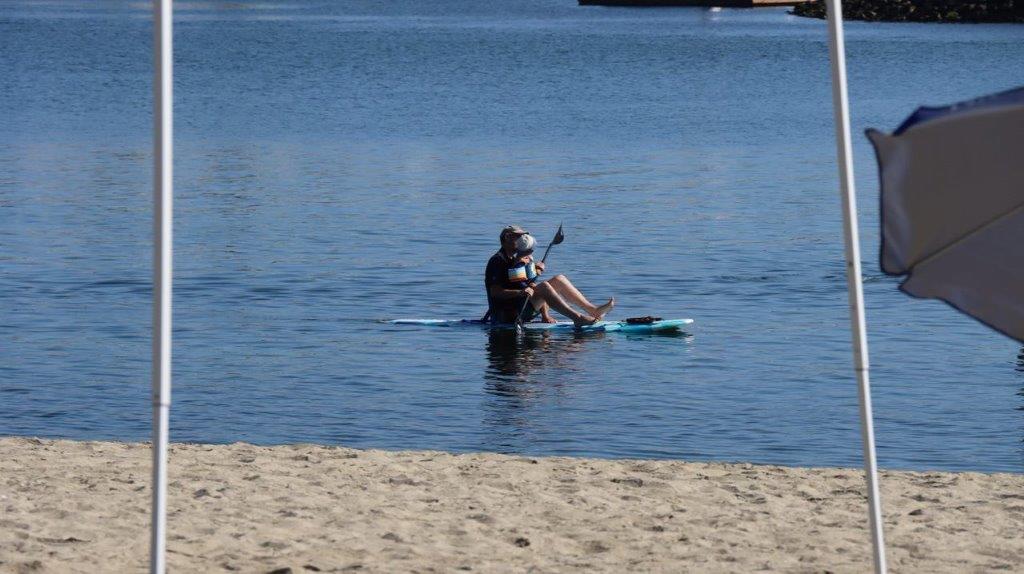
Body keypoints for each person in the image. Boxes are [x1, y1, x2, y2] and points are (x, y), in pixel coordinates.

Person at [484, 225, 614, 328]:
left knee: (559, 279)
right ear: (507, 238)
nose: (522, 240)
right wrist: (520, 292)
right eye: (518, 237)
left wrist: (545, 316)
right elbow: (496, 292)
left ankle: (593, 310)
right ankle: (577, 318)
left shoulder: (522, 258)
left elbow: (533, 286)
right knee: (545, 286)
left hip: (523, 307)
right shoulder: (497, 261)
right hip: (507, 315)